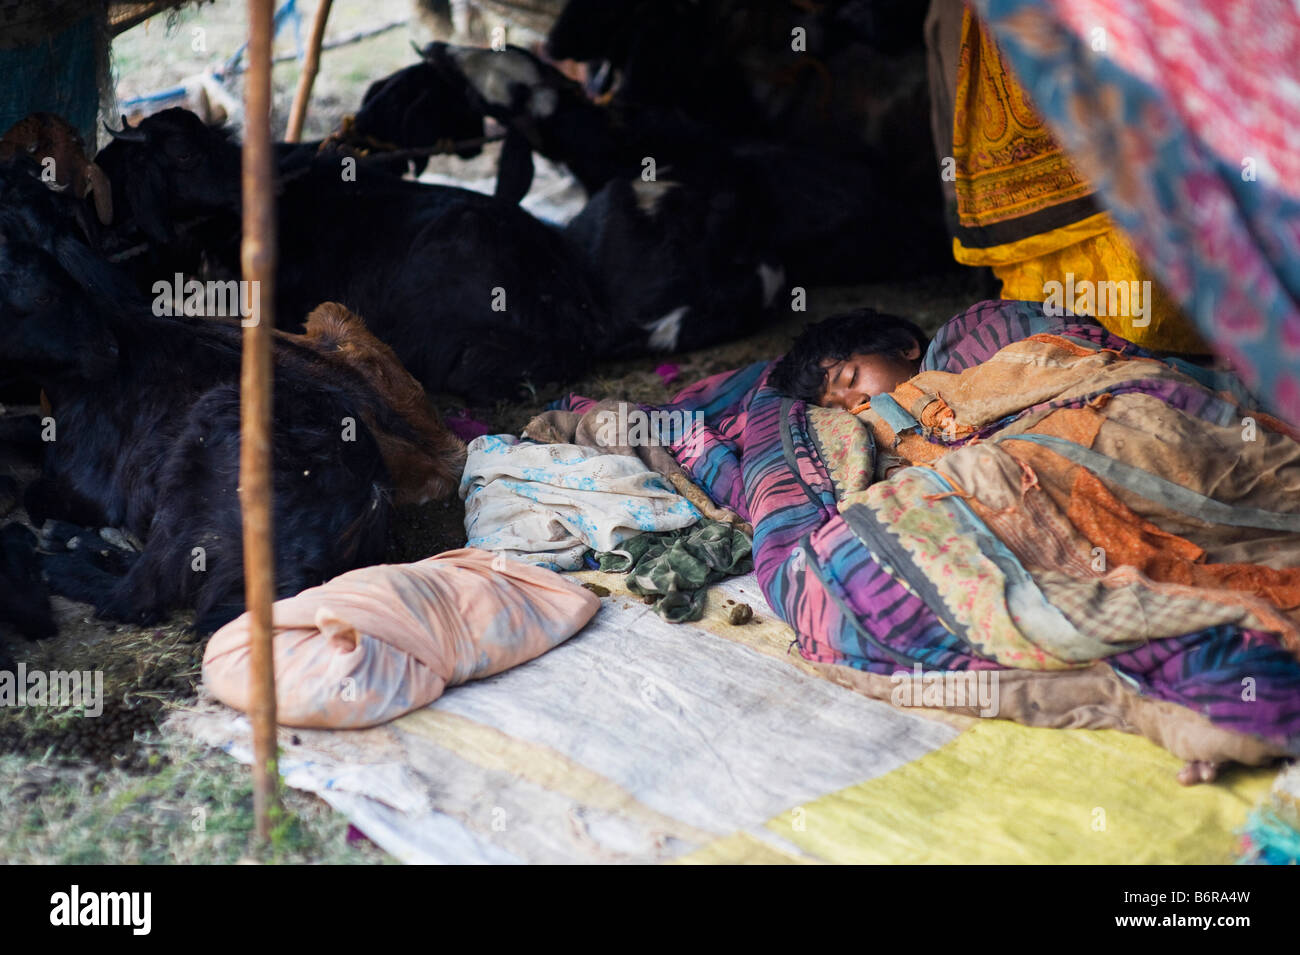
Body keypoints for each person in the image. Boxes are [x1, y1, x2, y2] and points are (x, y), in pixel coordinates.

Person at [768, 308, 928, 410]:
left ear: (905, 347)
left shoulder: (950, 360)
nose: (855, 404)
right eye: (836, 409)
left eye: (852, 378)